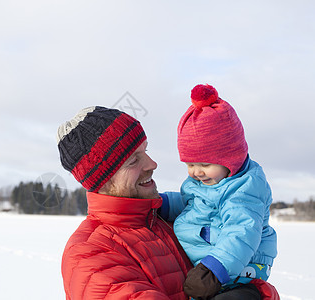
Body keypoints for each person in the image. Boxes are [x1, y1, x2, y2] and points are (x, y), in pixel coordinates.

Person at [57, 105, 279, 300]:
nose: (152, 164)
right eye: (133, 160)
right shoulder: (92, 256)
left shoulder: (162, 221)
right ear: (102, 179)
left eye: (146, 151)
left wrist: (256, 292)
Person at [160, 84, 278, 299]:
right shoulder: (207, 182)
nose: (196, 172)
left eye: (204, 164)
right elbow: (192, 205)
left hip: (240, 268)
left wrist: (214, 269)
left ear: (230, 159)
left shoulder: (243, 189)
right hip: (212, 265)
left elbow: (241, 232)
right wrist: (163, 203)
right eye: (189, 164)